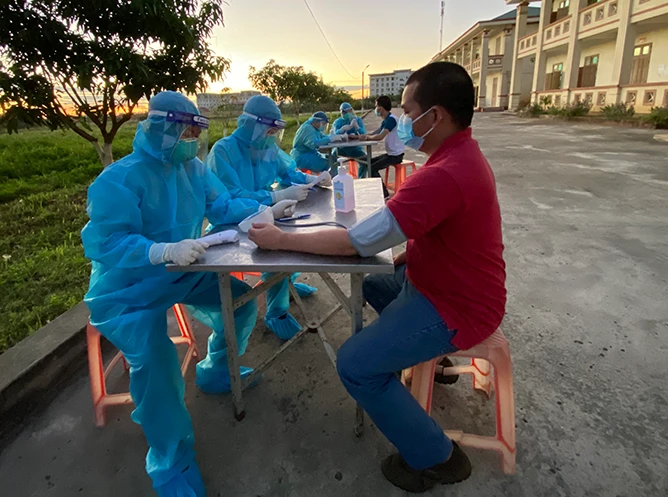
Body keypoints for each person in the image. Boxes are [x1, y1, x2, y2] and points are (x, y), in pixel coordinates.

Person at [247, 62, 506, 493]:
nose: (402, 121)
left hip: (456, 306)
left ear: (436, 115)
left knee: (355, 364)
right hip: (438, 283)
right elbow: (439, 229)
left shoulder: (444, 174)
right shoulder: (460, 156)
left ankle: (436, 457)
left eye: (408, 111)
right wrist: (409, 253)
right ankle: (428, 356)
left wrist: (277, 239)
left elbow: (355, 242)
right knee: (368, 281)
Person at [82, 91, 293, 497]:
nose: (192, 139)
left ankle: (215, 371)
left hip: (183, 269)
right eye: (185, 130)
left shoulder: (194, 168)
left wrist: (271, 202)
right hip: (128, 288)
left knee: (240, 303)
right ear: (160, 127)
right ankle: (170, 458)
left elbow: (224, 204)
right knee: (157, 362)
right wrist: (158, 250)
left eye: (197, 130)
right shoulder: (118, 180)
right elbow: (106, 243)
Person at [207, 95, 331, 340]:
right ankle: (277, 312)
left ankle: (287, 283)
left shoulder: (268, 146)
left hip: (267, 212)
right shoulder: (223, 151)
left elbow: (288, 171)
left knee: (290, 241)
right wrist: (274, 198)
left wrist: (313, 179)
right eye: (269, 128)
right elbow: (230, 197)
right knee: (274, 251)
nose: (272, 133)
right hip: (231, 222)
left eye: (276, 129)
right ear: (250, 124)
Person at [360, 95, 405, 198]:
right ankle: (375, 189)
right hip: (391, 153)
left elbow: (380, 136)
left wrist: (367, 138)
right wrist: (363, 136)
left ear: (381, 107)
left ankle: (383, 194)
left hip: (395, 155)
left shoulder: (392, 120)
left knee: (372, 167)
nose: (376, 109)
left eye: (376, 106)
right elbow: (377, 131)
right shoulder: (387, 119)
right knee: (369, 162)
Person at [332, 102, 368, 177]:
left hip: (355, 149)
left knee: (366, 161)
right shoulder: (338, 122)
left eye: (349, 111)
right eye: (345, 112)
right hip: (341, 149)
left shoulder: (357, 120)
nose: (348, 113)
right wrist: (342, 130)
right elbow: (334, 135)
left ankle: (361, 178)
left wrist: (357, 127)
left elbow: (364, 134)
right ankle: (334, 177)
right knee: (332, 158)